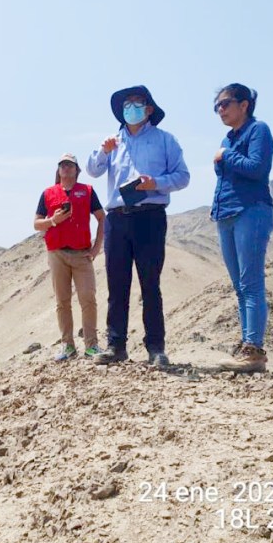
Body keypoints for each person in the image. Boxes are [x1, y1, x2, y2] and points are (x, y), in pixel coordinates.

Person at [86, 85, 190, 366]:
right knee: (117, 284)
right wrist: (102, 152)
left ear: (149, 109)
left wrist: (155, 183)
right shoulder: (112, 141)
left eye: (136, 103)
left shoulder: (165, 140)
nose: (130, 108)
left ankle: (156, 347)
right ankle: (116, 346)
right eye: (126, 104)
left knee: (150, 284)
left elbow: (182, 176)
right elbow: (93, 170)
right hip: (117, 218)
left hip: (150, 217)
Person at [211, 83, 273, 372]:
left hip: (251, 210)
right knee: (239, 286)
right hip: (226, 213)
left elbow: (257, 168)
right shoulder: (228, 138)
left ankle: (254, 349)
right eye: (217, 106)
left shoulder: (258, 130)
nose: (220, 110)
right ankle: (246, 345)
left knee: (251, 283)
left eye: (225, 104)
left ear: (244, 104)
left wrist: (226, 157)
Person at [34, 153, 106, 361]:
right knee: (62, 301)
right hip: (57, 253)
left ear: (76, 170)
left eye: (70, 165)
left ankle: (91, 345)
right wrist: (53, 220)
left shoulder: (87, 191)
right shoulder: (48, 193)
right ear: (58, 170)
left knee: (88, 298)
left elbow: (102, 218)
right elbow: (36, 223)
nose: (66, 169)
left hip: (82, 253)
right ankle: (68, 345)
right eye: (62, 165)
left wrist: (96, 247)